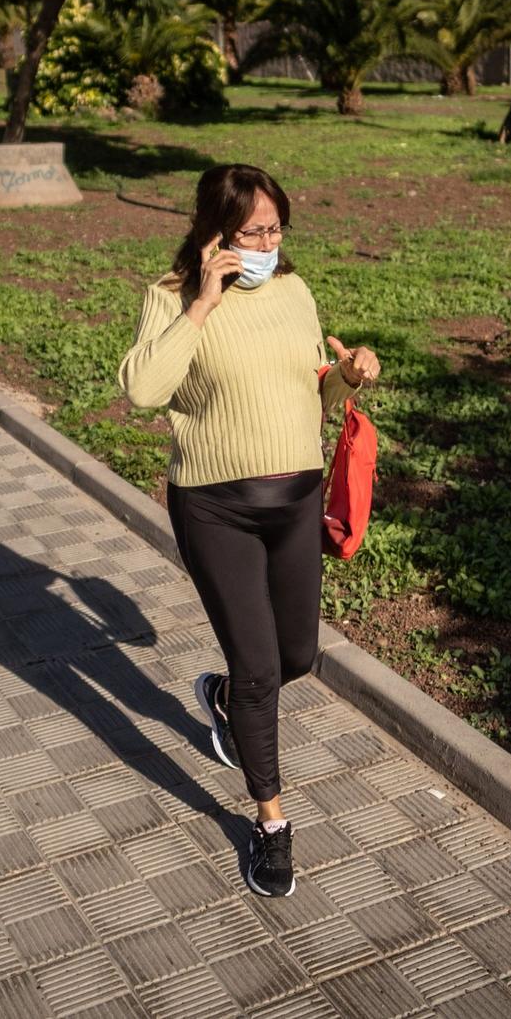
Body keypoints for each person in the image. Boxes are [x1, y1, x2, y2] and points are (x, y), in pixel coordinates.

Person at [118, 163, 380, 897]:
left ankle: (229, 698)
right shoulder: (170, 298)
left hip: (295, 498)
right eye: (253, 230)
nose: (268, 241)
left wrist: (349, 374)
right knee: (264, 667)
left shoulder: (294, 292)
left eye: (276, 227)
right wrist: (202, 304)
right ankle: (270, 824)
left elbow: (312, 393)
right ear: (215, 234)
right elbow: (141, 389)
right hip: (214, 506)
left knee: (296, 653)